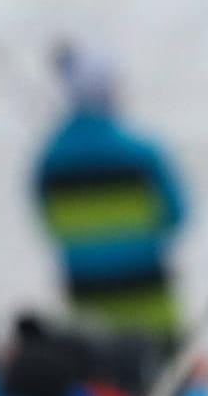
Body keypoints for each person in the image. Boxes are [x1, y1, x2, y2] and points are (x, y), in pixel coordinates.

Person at [32, 45, 186, 339]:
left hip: (85, 293)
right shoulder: (142, 152)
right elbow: (178, 215)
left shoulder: (49, 159)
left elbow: (46, 221)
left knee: (100, 378)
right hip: (147, 289)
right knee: (163, 371)